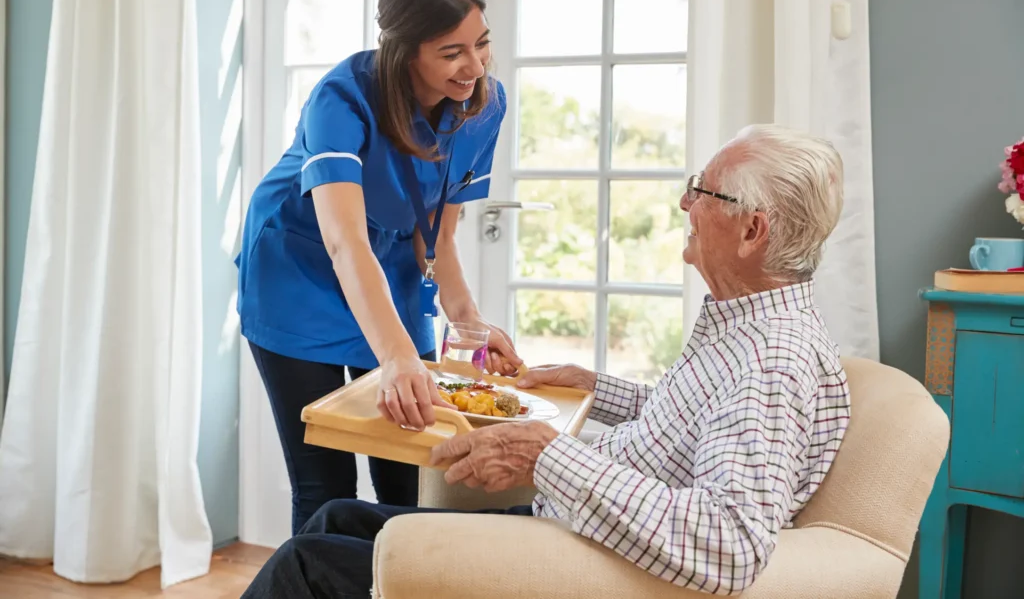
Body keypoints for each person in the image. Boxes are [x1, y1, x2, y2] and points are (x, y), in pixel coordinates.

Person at [240, 124, 853, 598]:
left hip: (579, 561)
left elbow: (730, 543)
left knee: (307, 564)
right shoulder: (751, 330)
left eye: (704, 190)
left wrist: (544, 453)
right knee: (333, 518)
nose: (685, 201)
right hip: (568, 527)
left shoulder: (772, 363)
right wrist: (596, 386)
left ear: (753, 231)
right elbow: (699, 425)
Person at [234, 0, 523, 535]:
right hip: (300, 266)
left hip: (388, 264)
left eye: (482, 44)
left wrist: (469, 322)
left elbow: (436, 231)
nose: (474, 66)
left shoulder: (483, 105)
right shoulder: (341, 99)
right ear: (405, 50)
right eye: (452, 52)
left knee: (407, 467)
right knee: (324, 484)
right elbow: (343, 243)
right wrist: (395, 356)